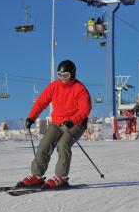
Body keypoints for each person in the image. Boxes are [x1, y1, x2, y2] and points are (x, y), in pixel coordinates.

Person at [18, 60, 92, 189]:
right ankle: (37, 176)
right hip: (57, 122)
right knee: (45, 144)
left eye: (66, 75)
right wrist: (31, 117)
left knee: (63, 144)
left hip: (75, 124)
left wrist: (72, 121)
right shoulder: (54, 86)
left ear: (72, 75)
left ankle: (61, 177)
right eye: (60, 75)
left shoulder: (80, 89)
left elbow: (85, 109)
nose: (63, 78)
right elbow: (41, 102)